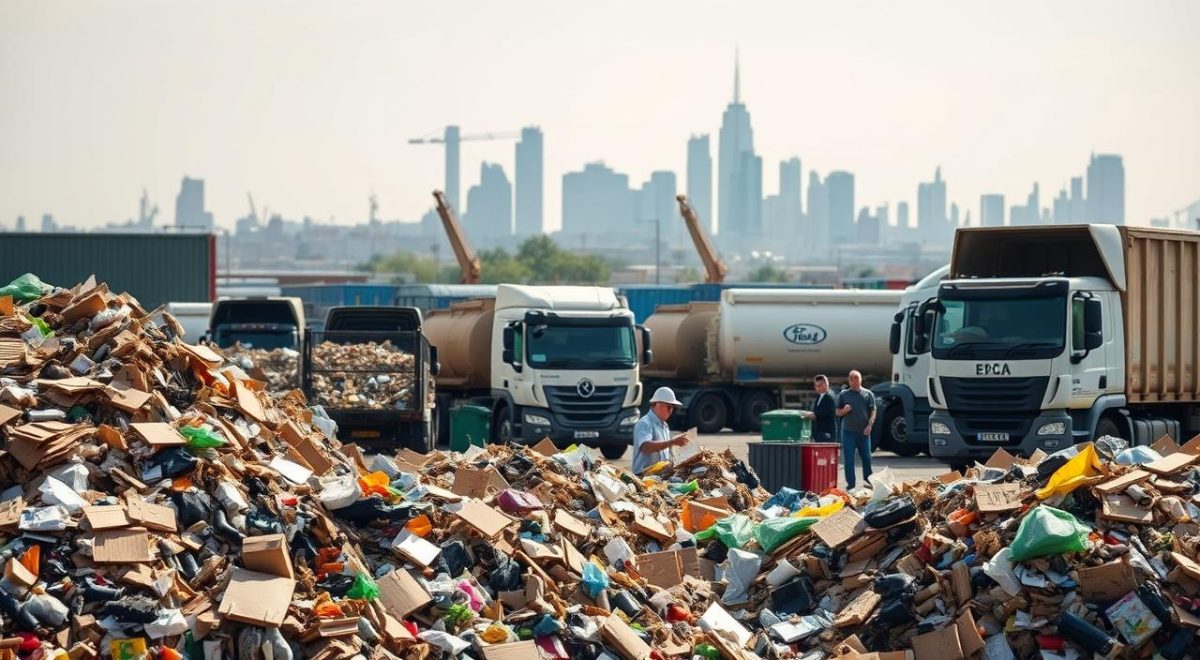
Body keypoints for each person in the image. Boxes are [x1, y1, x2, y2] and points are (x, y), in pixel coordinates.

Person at [632, 386, 690, 475]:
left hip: (659, 477)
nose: (671, 411)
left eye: (672, 408)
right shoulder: (645, 423)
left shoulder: (664, 426)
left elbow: (665, 452)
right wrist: (672, 442)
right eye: (669, 407)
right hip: (643, 477)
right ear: (658, 404)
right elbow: (645, 446)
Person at [835, 370, 876, 489]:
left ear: (861, 379)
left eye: (856, 378)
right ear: (849, 380)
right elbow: (837, 412)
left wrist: (870, 425)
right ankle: (851, 485)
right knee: (848, 459)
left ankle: (868, 480)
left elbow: (873, 411)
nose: (854, 380)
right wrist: (844, 411)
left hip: (864, 433)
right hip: (848, 432)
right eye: (851, 378)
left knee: (867, 457)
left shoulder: (868, 394)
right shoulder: (843, 394)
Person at [800, 374, 837, 442]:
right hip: (819, 433)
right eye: (816, 386)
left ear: (826, 384)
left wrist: (813, 415)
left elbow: (827, 412)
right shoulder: (819, 396)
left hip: (827, 434)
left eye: (819, 385)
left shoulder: (830, 397)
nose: (817, 388)